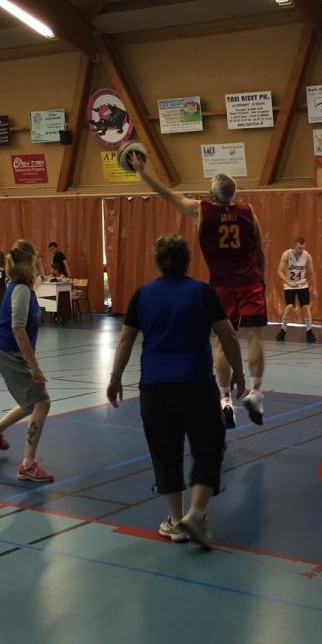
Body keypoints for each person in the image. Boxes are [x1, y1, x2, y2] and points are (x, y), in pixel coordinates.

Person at [107, 235, 245, 549]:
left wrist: (115, 378)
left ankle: (175, 519)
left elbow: (126, 341)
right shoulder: (203, 292)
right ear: (187, 261)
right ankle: (196, 514)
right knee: (208, 449)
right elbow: (229, 337)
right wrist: (238, 372)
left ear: (158, 261)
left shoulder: (142, 294)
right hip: (196, 384)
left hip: (155, 388)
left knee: (165, 453)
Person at [132, 154, 268, 428]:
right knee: (255, 338)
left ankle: (225, 399)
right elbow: (260, 248)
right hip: (250, 281)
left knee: (221, 341)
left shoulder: (200, 210)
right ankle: (255, 391)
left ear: (211, 193)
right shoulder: (248, 211)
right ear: (233, 194)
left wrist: (142, 172)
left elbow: (165, 193)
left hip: (221, 285)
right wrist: (260, 279)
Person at [0, 243, 54, 483]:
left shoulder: (25, 288)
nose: (40, 263)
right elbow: (18, 329)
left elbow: (39, 281)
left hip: (10, 354)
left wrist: (40, 271)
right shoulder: (20, 290)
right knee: (42, 402)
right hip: (12, 355)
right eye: (36, 261)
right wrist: (35, 368)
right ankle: (28, 464)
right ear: (27, 265)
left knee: (30, 402)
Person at [277, 236, 317, 343]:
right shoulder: (286, 254)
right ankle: (283, 330)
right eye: (299, 248)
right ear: (294, 246)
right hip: (289, 284)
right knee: (289, 306)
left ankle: (309, 331)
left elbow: (312, 272)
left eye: (303, 248)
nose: (301, 250)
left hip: (302, 284)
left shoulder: (307, 256)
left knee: (306, 306)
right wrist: (288, 282)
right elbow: (279, 271)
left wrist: (311, 285)